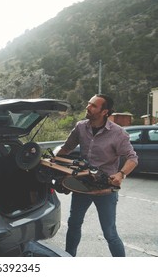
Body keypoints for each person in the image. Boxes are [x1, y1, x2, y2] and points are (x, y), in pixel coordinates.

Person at [56, 94, 138, 257]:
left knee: (110, 233)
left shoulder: (118, 133)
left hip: (105, 190)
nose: (88, 107)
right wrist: (51, 160)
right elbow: (66, 148)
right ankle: (68, 260)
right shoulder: (80, 127)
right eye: (88, 103)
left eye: (93, 105)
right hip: (81, 185)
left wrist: (121, 174)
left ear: (104, 112)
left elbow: (132, 158)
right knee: (74, 225)